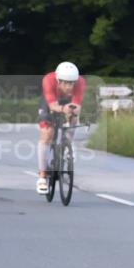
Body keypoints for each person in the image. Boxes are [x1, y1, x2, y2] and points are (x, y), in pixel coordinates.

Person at [36, 62, 85, 194]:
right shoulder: (49, 80)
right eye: (65, 83)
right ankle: (42, 177)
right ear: (58, 80)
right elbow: (52, 106)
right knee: (47, 133)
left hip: (67, 103)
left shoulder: (80, 82)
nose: (69, 87)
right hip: (50, 102)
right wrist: (63, 109)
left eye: (72, 83)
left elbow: (77, 105)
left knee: (73, 115)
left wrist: (71, 113)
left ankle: (67, 145)